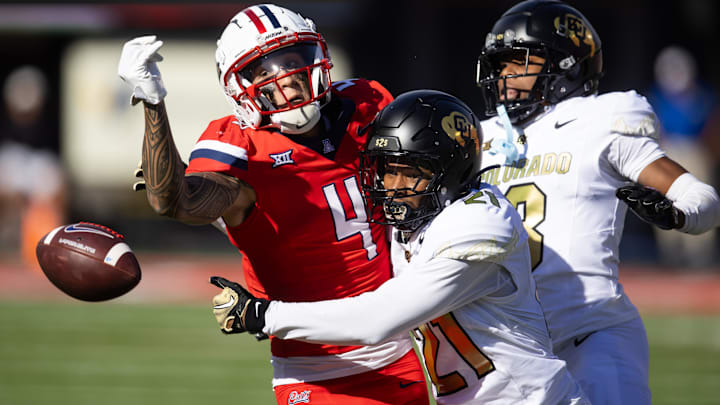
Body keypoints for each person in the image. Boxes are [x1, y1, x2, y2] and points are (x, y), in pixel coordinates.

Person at [117, 4, 429, 404]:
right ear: (239, 86)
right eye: (264, 70)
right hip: (317, 369)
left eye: (292, 60)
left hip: (402, 348)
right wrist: (152, 100)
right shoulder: (243, 147)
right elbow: (171, 201)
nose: (285, 76)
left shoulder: (366, 104)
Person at [210, 90, 590, 404]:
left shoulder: (479, 223)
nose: (392, 185)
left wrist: (265, 316)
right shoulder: (411, 224)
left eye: (409, 171)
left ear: (450, 170)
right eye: (386, 169)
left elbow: (378, 320)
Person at [474, 0, 720, 403]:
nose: (505, 76)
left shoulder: (598, 120)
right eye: (501, 65)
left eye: (520, 62)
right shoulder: (485, 139)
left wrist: (678, 214)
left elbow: (702, 198)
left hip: (590, 335)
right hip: (512, 350)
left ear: (565, 64)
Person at [648, 45, 719, 267]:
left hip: (694, 151)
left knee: (700, 200)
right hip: (667, 152)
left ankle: (700, 253)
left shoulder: (703, 96)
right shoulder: (655, 97)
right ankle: (672, 253)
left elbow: (712, 127)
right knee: (666, 202)